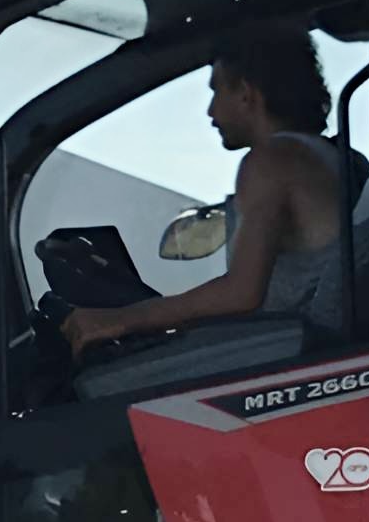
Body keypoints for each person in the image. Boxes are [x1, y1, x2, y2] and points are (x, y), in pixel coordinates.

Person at [64, 24, 354, 352]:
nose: (210, 111)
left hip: (290, 359)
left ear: (246, 93)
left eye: (216, 91)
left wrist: (121, 319)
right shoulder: (340, 158)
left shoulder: (270, 162)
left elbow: (241, 294)